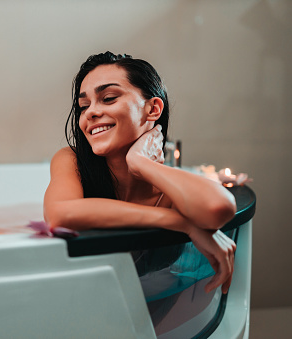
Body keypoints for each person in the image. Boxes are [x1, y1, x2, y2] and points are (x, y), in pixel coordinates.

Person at [43, 51, 237, 294]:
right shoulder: (71, 160)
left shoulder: (169, 189)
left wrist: (141, 162)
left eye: (109, 98)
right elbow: (60, 215)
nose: (90, 112)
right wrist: (182, 224)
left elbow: (218, 207)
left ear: (153, 109)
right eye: (84, 105)